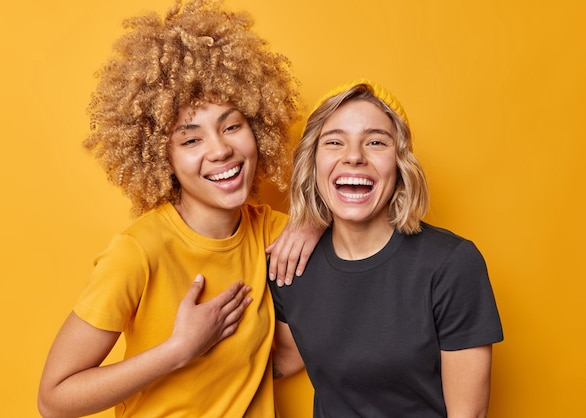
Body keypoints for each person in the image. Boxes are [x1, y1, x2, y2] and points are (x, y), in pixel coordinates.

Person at [37, 1, 320, 417]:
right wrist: (179, 350)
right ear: (159, 156)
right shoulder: (138, 252)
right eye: (190, 140)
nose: (221, 149)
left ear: (258, 127)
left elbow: (367, 232)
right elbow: (53, 401)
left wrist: (315, 219)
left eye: (232, 125)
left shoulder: (271, 233)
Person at [270, 80, 504, 417]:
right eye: (334, 142)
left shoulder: (451, 264)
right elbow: (286, 358)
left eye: (376, 142)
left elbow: (468, 414)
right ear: (313, 162)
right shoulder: (291, 264)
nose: (353, 156)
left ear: (399, 163)